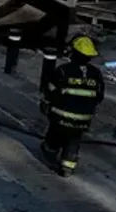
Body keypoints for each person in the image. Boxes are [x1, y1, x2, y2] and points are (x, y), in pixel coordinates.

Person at [40, 34, 105, 176]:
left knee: (55, 134)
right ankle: (68, 165)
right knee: (74, 140)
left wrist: (46, 104)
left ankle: (50, 149)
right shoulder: (96, 73)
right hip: (83, 119)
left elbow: (50, 90)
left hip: (60, 115)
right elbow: (99, 96)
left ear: (73, 53)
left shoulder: (63, 70)